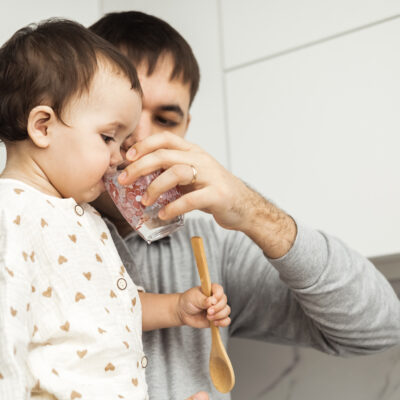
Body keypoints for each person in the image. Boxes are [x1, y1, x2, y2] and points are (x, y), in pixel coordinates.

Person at [90, 11, 400, 400]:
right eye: (126, 113)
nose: (142, 140)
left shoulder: (209, 244)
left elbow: (380, 327)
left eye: (166, 119)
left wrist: (254, 212)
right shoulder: (24, 221)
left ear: (186, 128)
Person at [0, 19, 229, 400]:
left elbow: (109, 307)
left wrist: (175, 309)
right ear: (43, 127)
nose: (118, 157)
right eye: (108, 138)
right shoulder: (12, 213)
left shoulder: (85, 217)